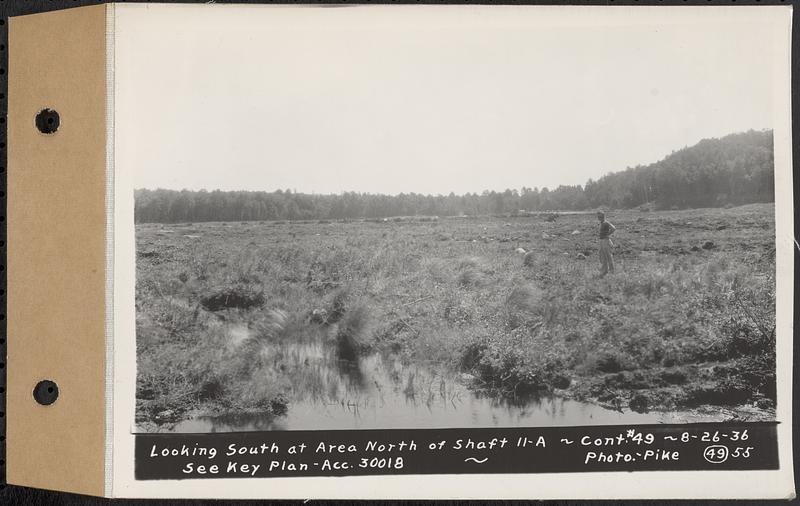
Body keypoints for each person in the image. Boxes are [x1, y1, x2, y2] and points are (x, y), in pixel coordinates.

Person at [596, 211, 616, 276]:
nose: (599, 218)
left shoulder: (606, 222)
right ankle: (604, 271)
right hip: (601, 240)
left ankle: (612, 271)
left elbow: (613, 228)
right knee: (602, 256)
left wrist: (608, 234)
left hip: (605, 240)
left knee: (608, 256)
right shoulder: (601, 223)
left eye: (601, 216)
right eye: (598, 217)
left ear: (604, 216)